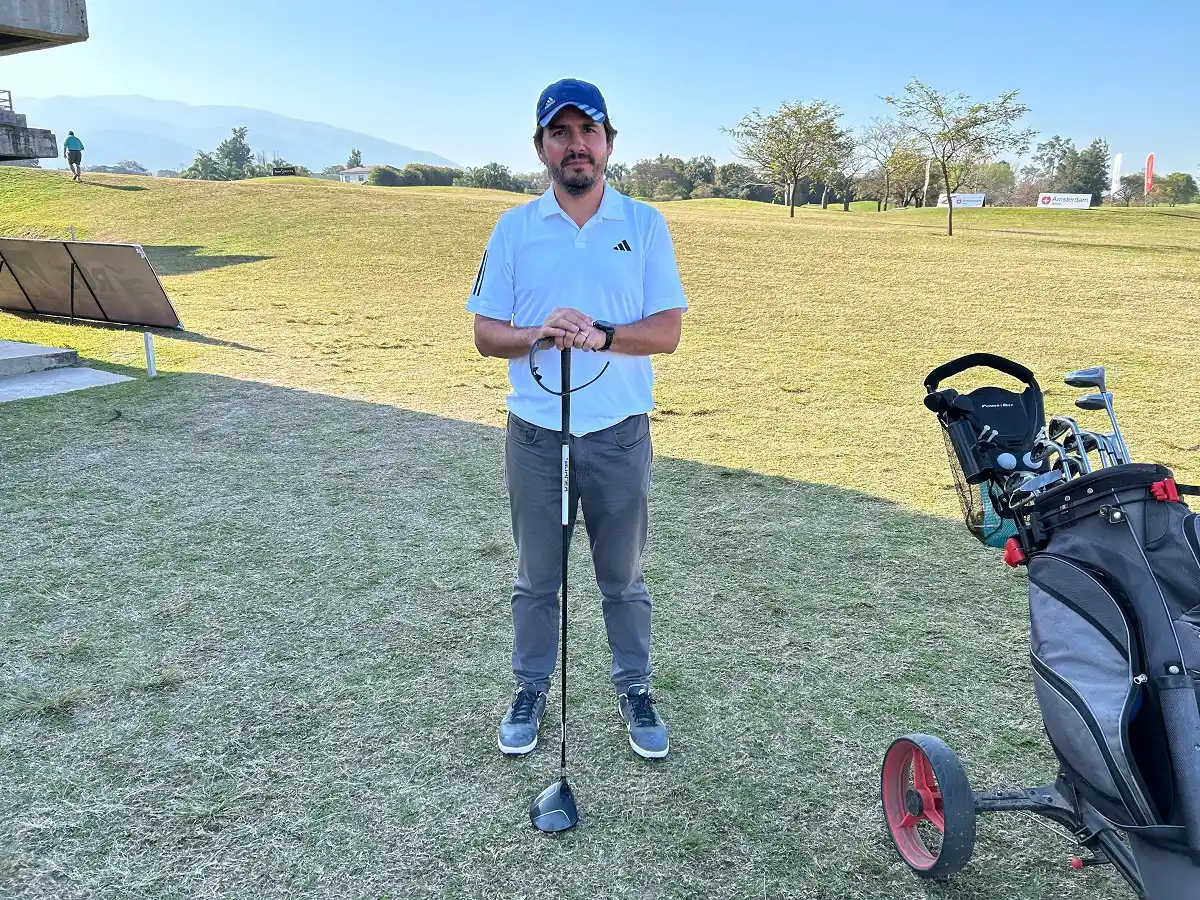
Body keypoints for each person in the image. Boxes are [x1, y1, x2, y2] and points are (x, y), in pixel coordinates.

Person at [466, 78, 688, 760]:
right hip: (536, 435)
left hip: (618, 434)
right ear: (541, 148)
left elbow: (668, 330)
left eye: (587, 131)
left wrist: (603, 335)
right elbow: (485, 333)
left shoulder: (644, 224)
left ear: (609, 143)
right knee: (537, 577)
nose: (576, 145)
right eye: (559, 133)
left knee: (622, 578)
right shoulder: (514, 228)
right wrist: (541, 331)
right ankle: (531, 687)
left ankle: (635, 687)